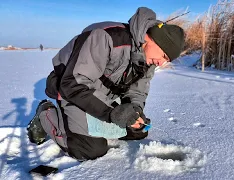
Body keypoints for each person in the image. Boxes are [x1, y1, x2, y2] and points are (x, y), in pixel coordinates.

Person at [27, 7, 185, 161]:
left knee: (137, 131)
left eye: (167, 60)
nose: (162, 63)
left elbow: (138, 92)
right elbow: (73, 84)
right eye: (164, 55)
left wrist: (134, 111)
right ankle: (46, 113)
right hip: (70, 90)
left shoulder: (148, 60)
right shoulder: (107, 37)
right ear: (152, 39)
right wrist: (113, 112)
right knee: (89, 149)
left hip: (102, 96)